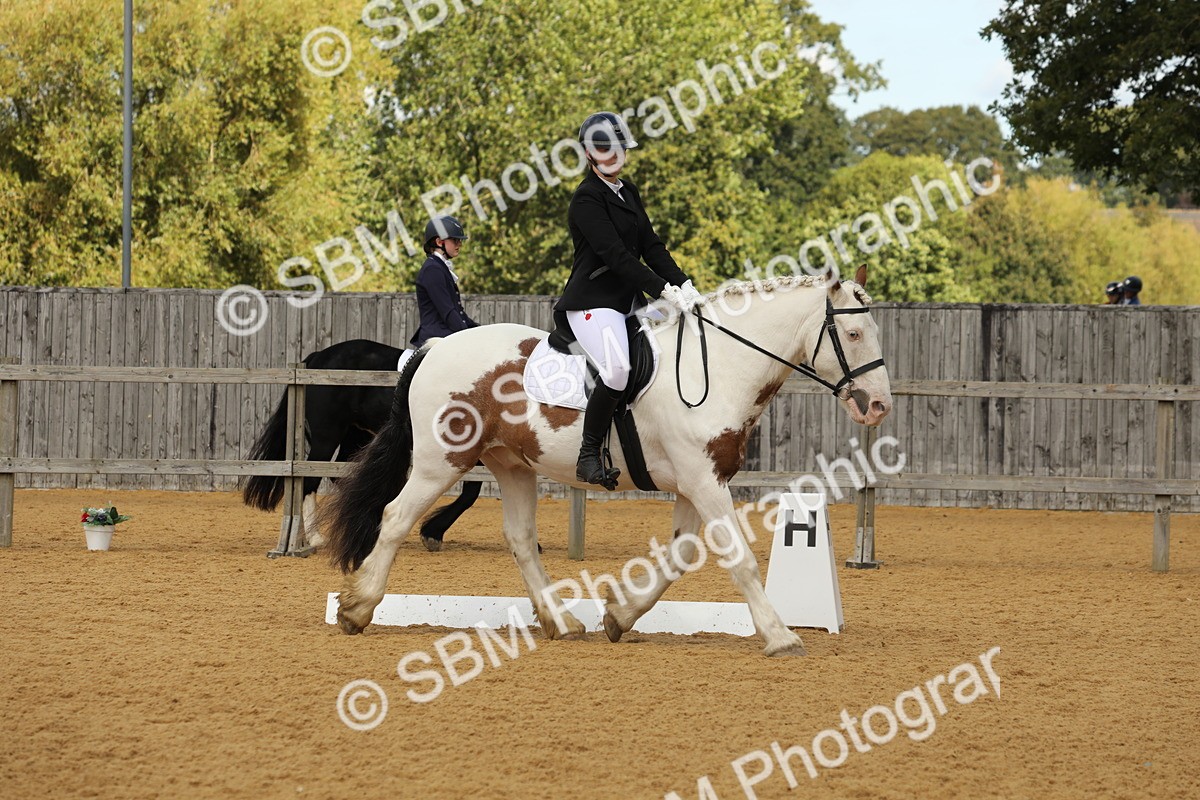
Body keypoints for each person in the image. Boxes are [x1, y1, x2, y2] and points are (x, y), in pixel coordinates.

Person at [554, 111, 706, 489]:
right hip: (593, 304)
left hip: (630, 304)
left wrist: (684, 284)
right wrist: (662, 289)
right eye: (607, 150)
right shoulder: (586, 199)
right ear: (590, 155)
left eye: (620, 149)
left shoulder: (628, 191)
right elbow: (617, 257)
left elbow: (651, 246)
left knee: (671, 346)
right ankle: (588, 455)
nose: (615, 156)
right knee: (618, 370)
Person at [409, 215, 479, 349]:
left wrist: (480, 330)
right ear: (440, 242)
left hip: (446, 337)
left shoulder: (440, 267)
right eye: (455, 240)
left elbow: (458, 313)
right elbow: (448, 312)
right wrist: (467, 335)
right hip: (437, 339)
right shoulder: (432, 269)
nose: (460, 244)